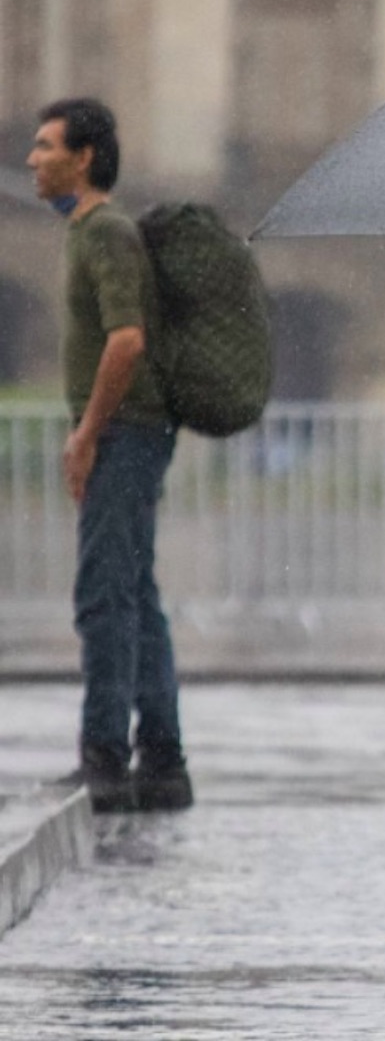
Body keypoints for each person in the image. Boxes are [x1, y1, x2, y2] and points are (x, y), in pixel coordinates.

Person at [29, 97, 191, 813]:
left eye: (45, 145)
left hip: (125, 433)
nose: (32, 157)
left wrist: (86, 433)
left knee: (103, 595)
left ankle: (103, 760)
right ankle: (161, 761)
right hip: (129, 431)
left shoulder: (105, 232)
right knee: (135, 595)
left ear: (83, 156)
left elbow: (127, 340)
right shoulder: (87, 231)